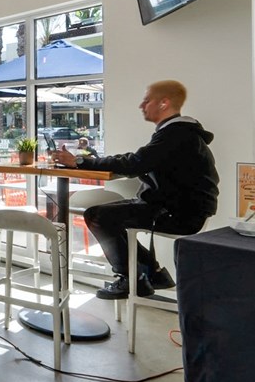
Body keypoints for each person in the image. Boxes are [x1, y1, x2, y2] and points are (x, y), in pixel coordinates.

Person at [51, 80, 218, 299]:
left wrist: (80, 162)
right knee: (102, 214)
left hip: (180, 214)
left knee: (98, 216)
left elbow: (134, 163)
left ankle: (132, 278)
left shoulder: (176, 135)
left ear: (164, 103)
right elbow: (138, 160)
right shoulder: (180, 133)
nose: (141, 105)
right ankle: (152, 273)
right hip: (181, 208)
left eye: (147, 100)